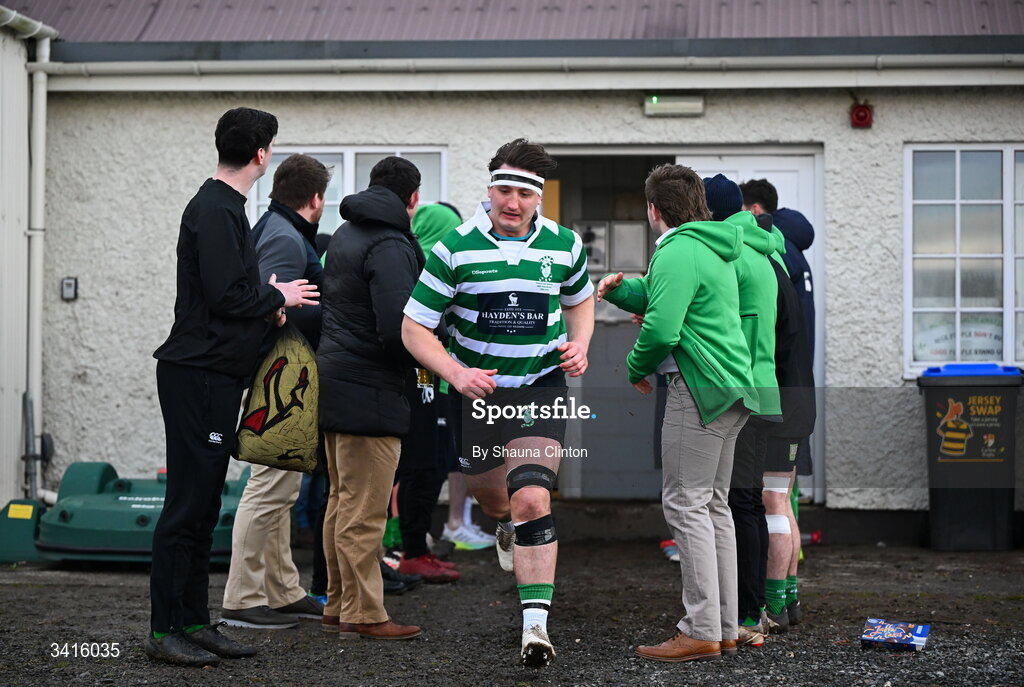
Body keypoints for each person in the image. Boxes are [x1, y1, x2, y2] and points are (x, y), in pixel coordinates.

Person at [402, 139, 594, 667]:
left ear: (539, 197)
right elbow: (414, 326)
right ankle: (504, 526)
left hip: (539, 384)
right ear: (489, 190)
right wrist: (456, 373)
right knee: (495, 501)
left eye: (523, 194)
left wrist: (579, 346)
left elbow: (581, 301)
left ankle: (536, 627)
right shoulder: (455, 247)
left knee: (533, 495)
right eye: (503, 190)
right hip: (478, 393)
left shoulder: (563, 244)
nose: (512, 202)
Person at [147, 107, 319, 666]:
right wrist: (279, 300)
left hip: (213, 374)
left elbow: (227, 293)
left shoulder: (226, 208)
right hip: (197, 375)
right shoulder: (218, 209)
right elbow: (227, 297)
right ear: (262, 154)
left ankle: (195, 621)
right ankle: (163, 630)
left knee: (200, 509)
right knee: (188, 506)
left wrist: (263, 307)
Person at [598, 163, 758, 663]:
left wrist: (633, 367)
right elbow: (668, 299)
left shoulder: (675, 249)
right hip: (733, 390)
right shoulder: (711, 247)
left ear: (653, 209)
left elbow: (664, 329)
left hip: (697, 390)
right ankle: (725, 626)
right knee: (713, 506)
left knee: (685, 505)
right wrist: (625, 291)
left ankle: (701, 628)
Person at [220, 154, 331, 629]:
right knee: (268, 488)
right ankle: (242, 599)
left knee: (282, 489)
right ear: (316, 199)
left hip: (280, 374)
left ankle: (283, 590)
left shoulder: (274, 228)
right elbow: (269, 303)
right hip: (282, 376)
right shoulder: (286, 239)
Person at [317, 156, 425, 640]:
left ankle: (339, 606)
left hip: (336, 382)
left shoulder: (347, 233)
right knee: (365, 513)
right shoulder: (390, 243)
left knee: (342, 502)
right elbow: (395, 326)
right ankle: (365, 614)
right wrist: (424, 362)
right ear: (413, 199)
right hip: (371, 391)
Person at [702, 174, 780, 649]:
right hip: (763, 387)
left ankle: (747, 612)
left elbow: (711, 313)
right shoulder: (763, 249)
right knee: (745, 502)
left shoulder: (729, 255)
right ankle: (754, 608)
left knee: (736, 504)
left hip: (741, 391)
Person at [739, 179, 816, 478]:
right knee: (783, 494)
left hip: (778, 383)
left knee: (772, 499)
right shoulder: (790, 249)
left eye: (742, 211)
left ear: (755, 210)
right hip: (797, 376)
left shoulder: (773, 254)